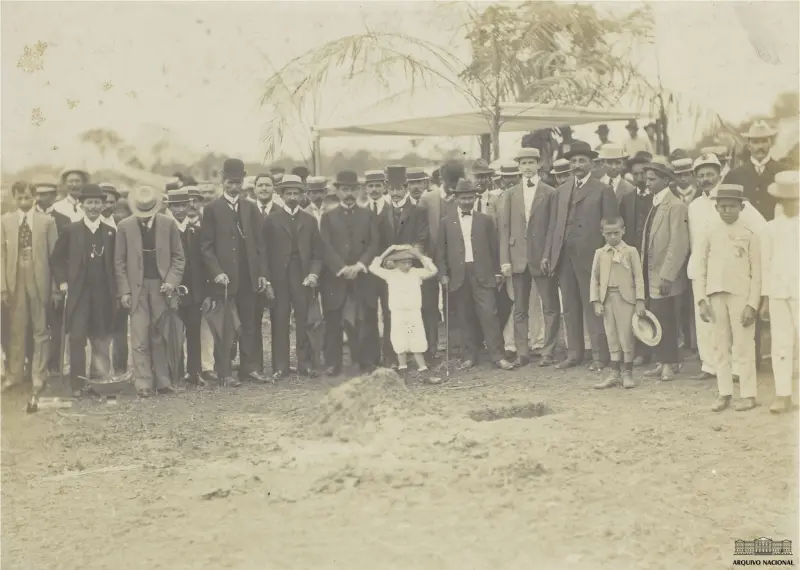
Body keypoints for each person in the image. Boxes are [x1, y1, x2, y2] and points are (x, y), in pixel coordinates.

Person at [687, 154, 765, 381]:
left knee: (734, 323)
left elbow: (759, 230)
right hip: (704, 268)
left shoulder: (734, 199)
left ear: (719, 174)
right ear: (696, 178)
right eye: (701, 175)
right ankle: (710, 365)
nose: (706, 179)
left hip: (732, 269)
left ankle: (738, 370)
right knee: (707, 321)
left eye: (710, 174)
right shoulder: (694, 206)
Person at [543, 140, 617, 370]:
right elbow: (553, 226)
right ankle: (574, 354)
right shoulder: (561, 190)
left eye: (582, 160)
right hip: (564, 257)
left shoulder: (603, 190)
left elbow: (611, 227)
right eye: (574, 161)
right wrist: (548, 254)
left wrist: (608, 257)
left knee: (593, 305)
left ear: (592, 164)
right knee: (570, 306)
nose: (577, 165)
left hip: (591, 258)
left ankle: (599, 356)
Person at [200, 159, 272, 386]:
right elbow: (206, 247)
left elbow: (261, 244)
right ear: (222, 180)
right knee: (226, 328)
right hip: (225, 280)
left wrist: (261, 273)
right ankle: (225, 371)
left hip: (248, 277)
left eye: (238, 183)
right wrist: (217, 272)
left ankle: (249, 368)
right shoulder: (212, 209)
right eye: (230, 182)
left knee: (250, 324)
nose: (234, 187)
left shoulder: (250, 208)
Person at [437, 179, 515, 371]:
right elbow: (441, 251)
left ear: (475, 198)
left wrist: (497, 272)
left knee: (489, 315)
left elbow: (494, 247)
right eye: (463, 198)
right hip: (458, 275)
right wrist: (443, 275)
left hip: (483, 273)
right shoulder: (446, 222)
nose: (466, 201)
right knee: (464, 316)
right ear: (456, 199)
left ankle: (498, 356)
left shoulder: (484, 220)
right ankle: (469, 356)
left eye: (470, 198)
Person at [115, 186, 185, 397]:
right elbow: (119, 262)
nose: (145, 217)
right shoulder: (124, 227)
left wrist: (171, 282)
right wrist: (125, 291)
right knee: (139, 335)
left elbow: (178, 257)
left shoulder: (168, 224)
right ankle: (143, 382)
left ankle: (163, 380)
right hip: (137, 288)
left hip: (161, 288)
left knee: (160, 334)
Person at [696, 185, 761, 412]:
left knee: (743, 345)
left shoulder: (750, 233)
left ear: (741, 206)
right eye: (723, 207)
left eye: (732, 206)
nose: (727, 211)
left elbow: (757, 272)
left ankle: (749, 393)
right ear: (716, 207)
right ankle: (724, 393)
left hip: (740, 296)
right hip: (715, 296)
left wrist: (752, 304)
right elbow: (700, 267)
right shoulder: (709, 231)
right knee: (720, 346)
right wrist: (701, 300)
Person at [51, 184, 117, 396]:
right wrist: (62, 282)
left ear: (103, 204)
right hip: (78, 295)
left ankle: (99, 382)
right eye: (89, 203)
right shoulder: (71, 230)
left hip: (102, 294)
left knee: (100, 336)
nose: (94, 207)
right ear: (82, 205)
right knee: (77, 337)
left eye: (97, 202)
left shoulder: (110, 232)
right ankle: (78, 384)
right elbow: (57, 259)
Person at [499, 147, 560, 367]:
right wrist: (505, 259)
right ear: (518, 167)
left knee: (550, 306)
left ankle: (548, 352)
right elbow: (504, 228)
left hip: (541, 257)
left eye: (531, 163)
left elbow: (553, 228)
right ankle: (522, 352)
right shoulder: (510, 194)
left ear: (539, 165)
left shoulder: (550, 192)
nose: (527, 167)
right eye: (523, 163)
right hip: (517, 258)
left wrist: (548, 256)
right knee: (520, 308)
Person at [320, 170, 380, 375]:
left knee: (366, 319)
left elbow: (374, 243)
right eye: (344, 189)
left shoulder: (369, 215)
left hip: (362, 276)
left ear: (358, 190)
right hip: (336, 278)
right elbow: (325, 245)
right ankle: (333, 362)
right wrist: (341, 268)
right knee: (334, 319)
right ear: (337, 191)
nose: (349, 193)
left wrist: (360, 266)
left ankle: (366, 360)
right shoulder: (327, 217)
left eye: (353, 189)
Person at [0, 182, 58, 393]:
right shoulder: (5, 221)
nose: (23, 202)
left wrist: (54, 287)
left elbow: (55, 257)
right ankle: (15, 374)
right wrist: (3, 287)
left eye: (27, 197)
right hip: (15, 279)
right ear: (13, 198)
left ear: (34, 197)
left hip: (39, 279)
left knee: (40, 329)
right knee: (17, 329)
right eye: (19, 198)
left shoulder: (47, 222)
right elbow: (2, 255)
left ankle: (38, 374)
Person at [264, 174, 322, 378]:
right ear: (281, 195)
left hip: (302, 276)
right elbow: (264, 252)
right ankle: (281, 366)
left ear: (302, 195)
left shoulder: (310, 220)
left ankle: (304, 363)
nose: (292, 197)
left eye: (296, 193)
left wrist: (314, 273)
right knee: (279, 320)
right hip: (279, 276)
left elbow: (317, 252)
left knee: (303, 319)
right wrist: (268, 280)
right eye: (288, 193)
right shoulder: (271, 220)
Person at [640, 157, 690, 382]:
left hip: (664, 275)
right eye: (646, 178)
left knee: (667, 318)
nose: (647, 183)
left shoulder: (676, 206)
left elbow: (678, 243)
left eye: (651, 179)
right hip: (651, 272)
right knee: (657, 317)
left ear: (665, 180)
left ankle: (670, 363)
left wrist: (668, 274)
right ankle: (662, 361)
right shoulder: (655, 203)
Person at [374, 165, 428, 367]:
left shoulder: (418, 211)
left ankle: (419, 353)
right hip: (391, 272)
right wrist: (386, 259)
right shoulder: (383, 211)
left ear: (406, 188)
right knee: (392, 313)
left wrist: (405, 260)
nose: (395, 193)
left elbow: (421, 240)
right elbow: (379, 241)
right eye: (392, 189)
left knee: (414, 313)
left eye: (399, 189)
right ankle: (393, 355)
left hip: (409, 268)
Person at [590, 216, 646, 389]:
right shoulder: (600, 253)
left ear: (623, 230)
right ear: (602, 233)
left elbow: (639, 277)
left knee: (626, 335)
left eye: (616, 232)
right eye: (608, 233)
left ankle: (627, 373)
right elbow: (594, 279)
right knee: (611, 334)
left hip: (626, 299)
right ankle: (614, 373)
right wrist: (596, 301)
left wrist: (640, 300)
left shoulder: (631, 251)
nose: (613, 237)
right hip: (607, 299)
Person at [760, 171, 799, 414]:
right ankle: (783, 393)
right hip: (778, 291)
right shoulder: (770, 228)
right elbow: (766, 262)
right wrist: (765, 298)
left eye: (796, 199)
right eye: (787, 200)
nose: (791, 204)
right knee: (781, 343)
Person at [369, 245, 438, 378]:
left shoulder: (416, 273)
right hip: (398, 312)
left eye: (409, 262)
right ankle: (402, 367)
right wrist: (388, 250)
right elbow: (373, 267)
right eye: (403, 262)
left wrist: (418, 255)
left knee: (416, 336)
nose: (407, 265)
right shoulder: (390, 274)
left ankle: (422, 368)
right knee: (399, 337)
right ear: (395, 263)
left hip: (413, 311)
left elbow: (433, 270)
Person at [418, 160, 462, 361]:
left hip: (453, 259)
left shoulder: (461, 197)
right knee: (429, 305)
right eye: (449, 182)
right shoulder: (428, 198)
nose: (452, 186)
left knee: (452, 303)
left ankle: (454, 347)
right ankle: (431, 348)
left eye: (456, 182)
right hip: (430, 259)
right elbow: (421, 228)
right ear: (441, 179)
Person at [164, 188, 207, 387]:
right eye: (176, 206)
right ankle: (175, 371)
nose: (180, 210)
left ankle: (194, 371)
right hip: (172, 289)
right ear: (169, 207)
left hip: (194, 289)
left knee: (194, 331)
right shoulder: (163, 231)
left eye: (183, 205)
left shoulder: (195, 231)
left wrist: (204, 292)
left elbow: (202, 263)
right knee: (173, 331)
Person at [619, 151, 654, 366]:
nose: (640, 178)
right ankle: (639, 349)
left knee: (653, 303)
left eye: (644, 173)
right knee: (636, 302)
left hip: (652, 258)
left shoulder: (656, 198)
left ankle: (655, 348)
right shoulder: (627, 199)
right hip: (633, 258)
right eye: (635, 174)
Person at [725, 121, 785, 220]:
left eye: (764, 141)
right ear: (748, 146)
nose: (760, 146)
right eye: (755, 142)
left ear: (770, 143)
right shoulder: (734, 175)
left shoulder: (782, 172)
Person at [110, 198, 132, 375]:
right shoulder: (108, 231)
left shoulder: (129, 231)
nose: (119, 216)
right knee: (118, 329)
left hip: (129, 284)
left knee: (121, 330)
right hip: (112, 286)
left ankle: (121, 366)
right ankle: (118, 366)